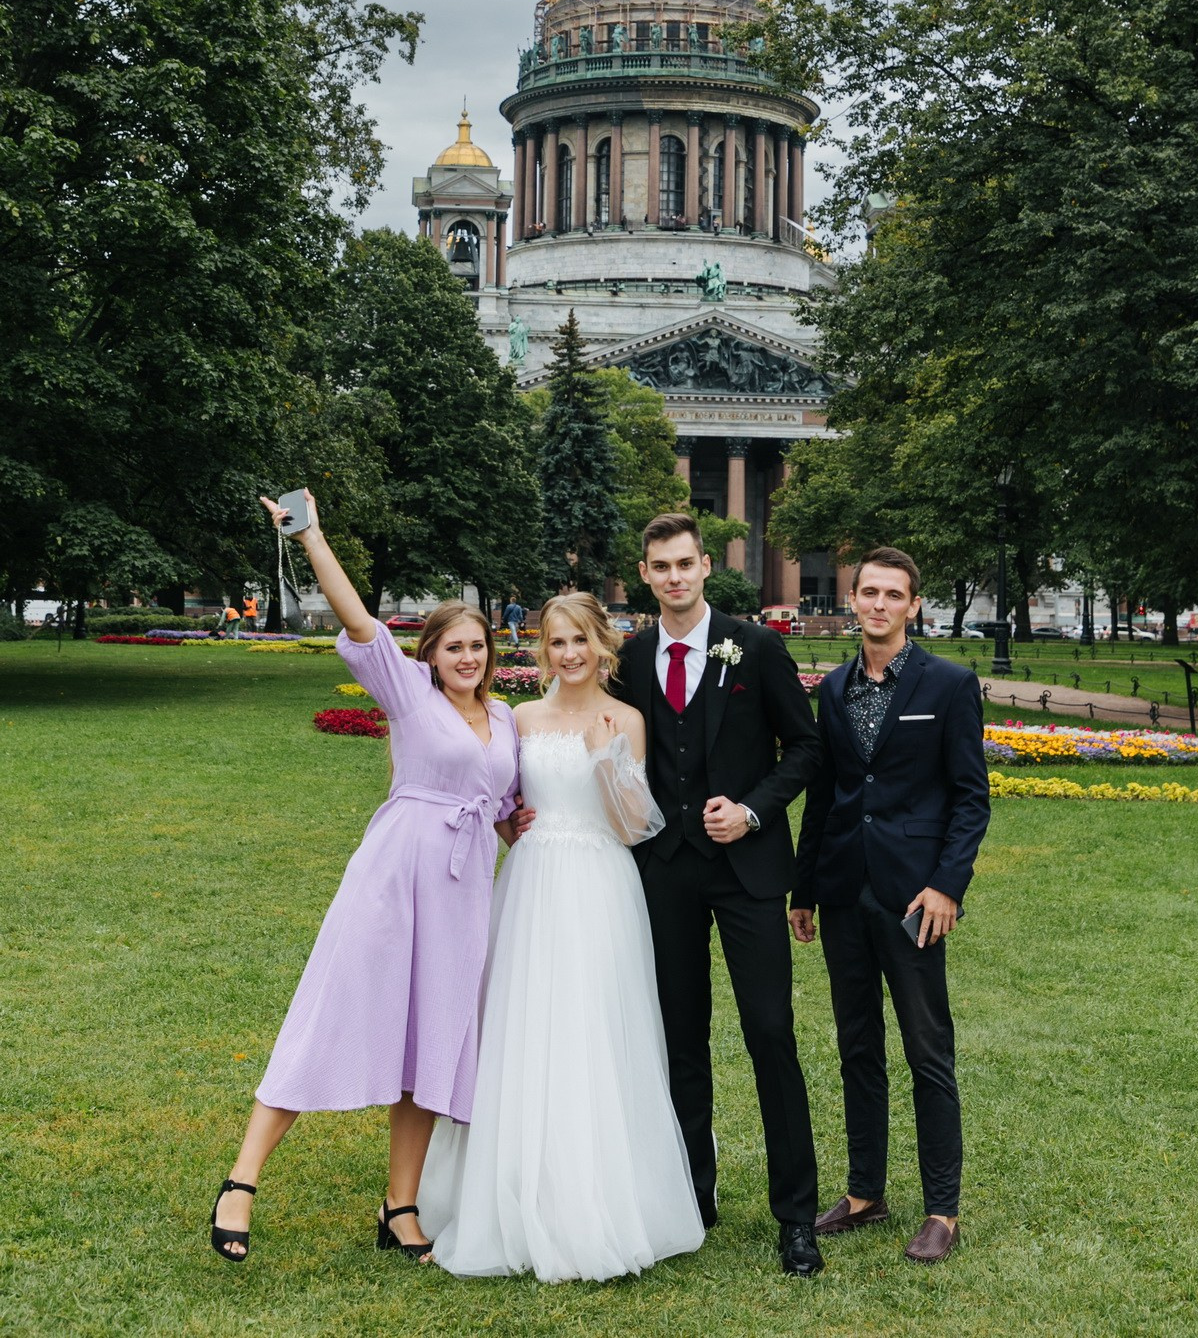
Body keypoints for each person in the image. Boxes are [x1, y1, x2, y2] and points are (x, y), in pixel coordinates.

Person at [208, 489, 524, 1265]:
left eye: (478, 647)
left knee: (435, 1039)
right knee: (332, 1011)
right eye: (454, 648)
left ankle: (401, 1206)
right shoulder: (408, 694)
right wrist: (310, 535)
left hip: (462, 895)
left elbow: (511, 808)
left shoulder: (510, 720)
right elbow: (358, 619)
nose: (468, 659)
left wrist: (537, 830)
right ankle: (241, 1182)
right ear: (431, 656)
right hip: (393, 875)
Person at [419, 593, 704, 1281]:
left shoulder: (627, 719)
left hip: (601, 885)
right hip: (533, 880)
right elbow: (499, 794)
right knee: (524, 1027)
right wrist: (505, 825)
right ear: (541, 649)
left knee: (592, 1031)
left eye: (579, 640)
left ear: (600, 645)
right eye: (555, 643)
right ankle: (515, 1186)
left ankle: (598, 1196)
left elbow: (635, 826)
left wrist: (610, 759)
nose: (569, 654)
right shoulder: (519, 716)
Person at [607, 512, 826, 1279]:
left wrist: (754, 809)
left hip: (749, 873)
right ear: (646, 574)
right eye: (659, 567)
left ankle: (797, 1216)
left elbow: (805, 745)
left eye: (684, 565)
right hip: (663, 871)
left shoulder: (755, 646)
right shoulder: (630, 657)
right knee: (679, 1040)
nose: (673, 577)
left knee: (771, 1035)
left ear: (707, 567)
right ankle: (690, 1200)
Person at [791, 547, 991, 1265]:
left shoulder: (950, 684)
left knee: (927, 1051)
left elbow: (971, 798)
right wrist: (804, 887)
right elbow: (827, 793)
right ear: (853, 600)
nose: (878, 604)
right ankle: (866, 1192)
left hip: (915, 899)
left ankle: (943, 1210)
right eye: (867, 592)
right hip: (844, 891)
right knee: (856, 1048)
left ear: (913, 605)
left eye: (892, 594)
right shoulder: (835, 686)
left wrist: (947, 886)